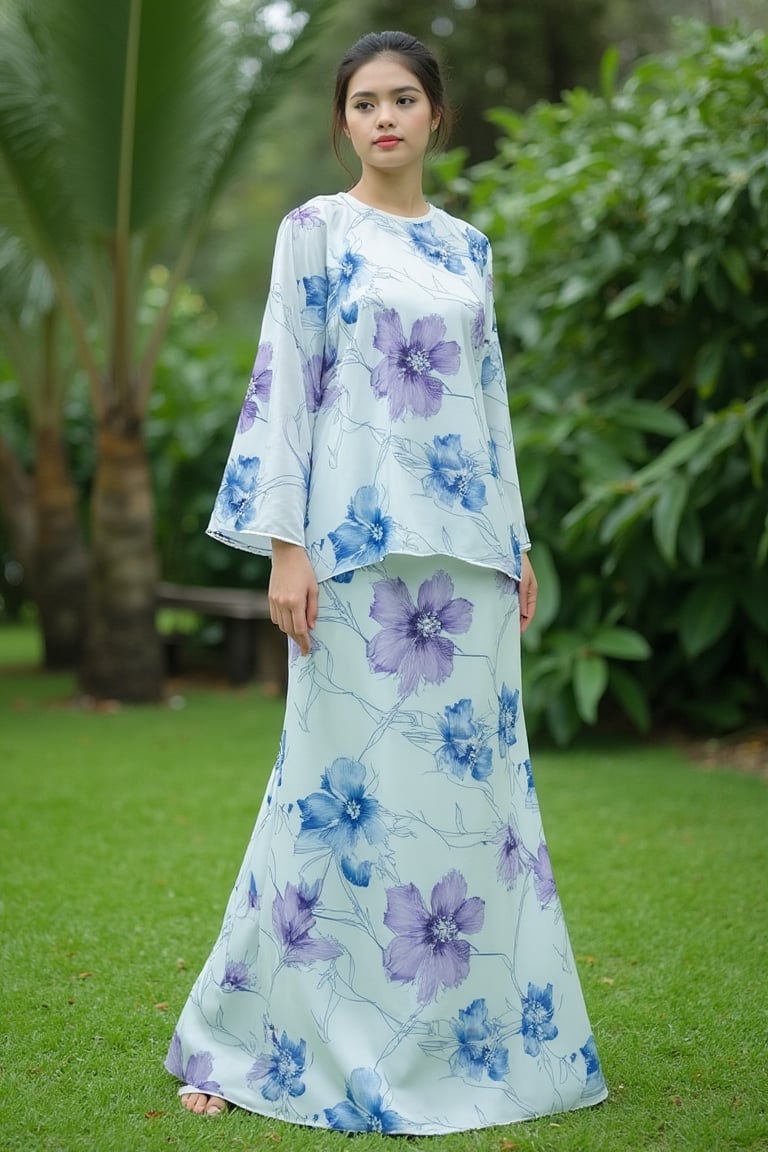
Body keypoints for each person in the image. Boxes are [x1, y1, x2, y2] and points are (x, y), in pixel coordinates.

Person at [166, 29, 608, 1134]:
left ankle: (478, 1048)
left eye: (403, 98)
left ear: (436, 116)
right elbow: (288, 377)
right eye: (364, 101)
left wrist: (516, 543)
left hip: (465, 566)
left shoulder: (470, 249)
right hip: (352, 559)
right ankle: (242, 1036)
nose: (384, 118)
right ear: (344, 121)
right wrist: (286, 545)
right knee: (323, 802)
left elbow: (491, 403)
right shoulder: (315, 232)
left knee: (471, 811)